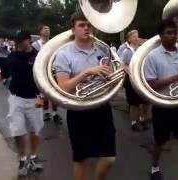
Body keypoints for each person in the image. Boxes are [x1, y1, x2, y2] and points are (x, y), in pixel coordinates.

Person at [53, 11, 115, 180]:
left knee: (109, 158)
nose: (86, 28)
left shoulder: (103, 50)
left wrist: (116, 74)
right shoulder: (64, 54)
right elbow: (63, 87)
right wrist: (86, 73)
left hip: (102, 107)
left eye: (89, 25)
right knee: (82, 159)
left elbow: (109, 78)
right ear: (73, 30)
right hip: (79, 110)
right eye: (81, 25)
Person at [144, 19, 178, 180]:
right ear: (161, 36)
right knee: (160, 142)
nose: (174, 36)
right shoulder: (152, 56)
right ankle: (154, 167)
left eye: (175, 33)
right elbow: (151, 84)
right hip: (162, 106)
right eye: (169, 33)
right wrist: (177, 77)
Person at [0, 31, 44, 176]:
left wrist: (42, 96)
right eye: (16, 41)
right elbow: (2, 75)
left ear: (28, 40)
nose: (17, 43)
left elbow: (46, 78)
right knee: (17, 130)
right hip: (16, 99)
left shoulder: (38, 57)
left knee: (34, 130)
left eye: (20, 40)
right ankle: (23, 158)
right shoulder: (13, 56)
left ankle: (33, 156)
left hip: (34, 99)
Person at [32, 25, 63, 125]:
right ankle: (46, 113)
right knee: (44, 93)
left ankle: (55, 113)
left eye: (49, 29)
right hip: (41, 71)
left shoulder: (53, 43)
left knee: (54, 93)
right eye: (45, 29)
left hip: (53, 70)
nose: (47, 30)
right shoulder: (35, 45)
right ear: (40, 32)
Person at [120, 30, 148, 131]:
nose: (136, 38)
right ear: (129, 39)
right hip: (131, 79)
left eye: (137, 36)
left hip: (142, 78)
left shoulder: (141, 49)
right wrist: (131, 73)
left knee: (145, 102)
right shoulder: (126, 51)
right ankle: (134, 123)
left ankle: (142, 119)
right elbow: (122, 64)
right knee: (134, 104)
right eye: (134, 37)